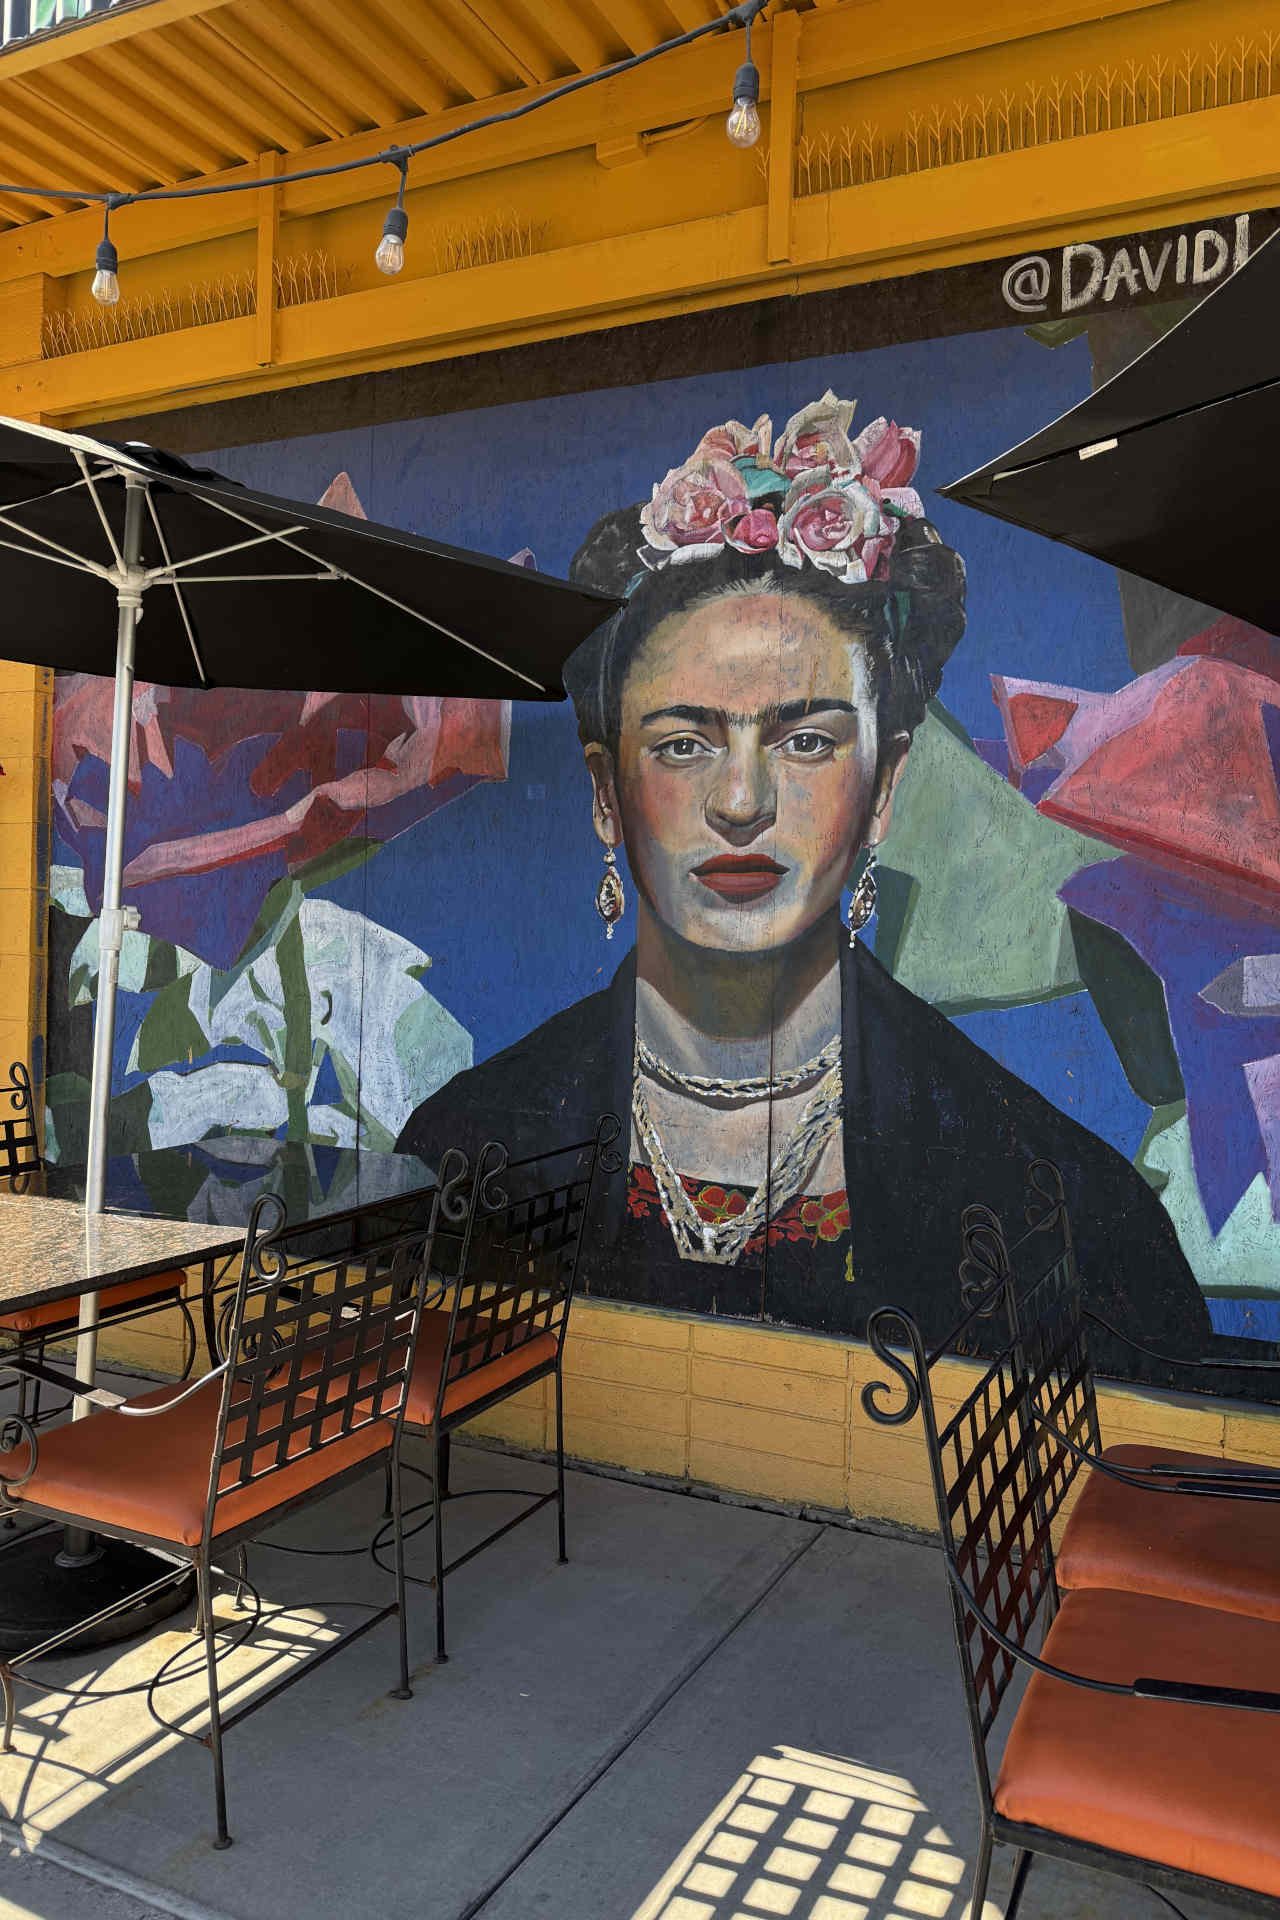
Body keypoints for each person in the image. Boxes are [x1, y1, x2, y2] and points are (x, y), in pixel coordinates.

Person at [399, 392, 1211, 1376]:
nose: (741, 801)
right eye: (684, 743)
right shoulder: (466, 1146)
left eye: (807, 741)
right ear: (606, 794)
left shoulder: (1060, 1212)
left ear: (884, 788)